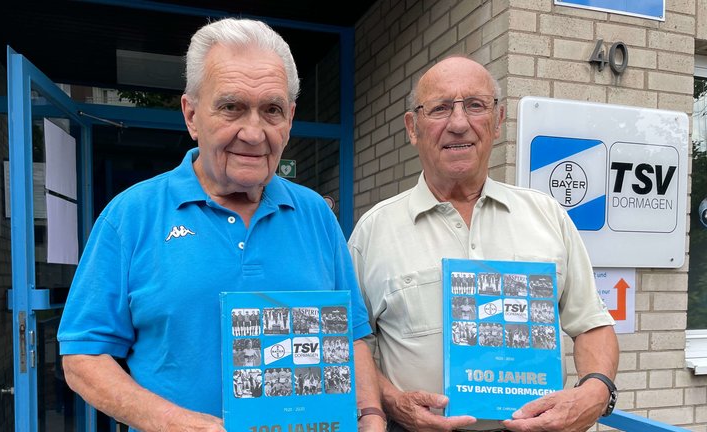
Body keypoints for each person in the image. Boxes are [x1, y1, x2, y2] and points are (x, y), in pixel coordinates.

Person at [57, 18, 385, 432]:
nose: (253, 132)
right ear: (191, 115)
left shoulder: (316, 214)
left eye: (272, 110)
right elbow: (83, 359)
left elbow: (351, 335)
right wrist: (178, 424)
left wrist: (371, 413)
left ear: (290, 118)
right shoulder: (131, 216)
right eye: (231, 107)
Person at [348, 56, 619, 432]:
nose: (459, 124)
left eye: (475, 105)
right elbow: (350, 344)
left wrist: (596, 391)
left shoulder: (547, 216)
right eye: (440, 108)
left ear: (498, 120)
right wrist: (394, 402)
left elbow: (592, 324)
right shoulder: (373, 231)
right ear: (413, 128)